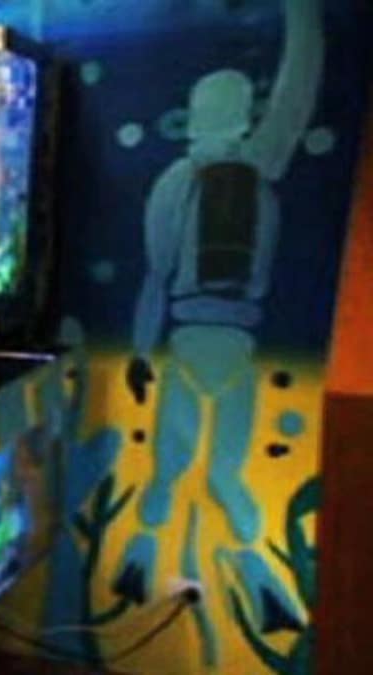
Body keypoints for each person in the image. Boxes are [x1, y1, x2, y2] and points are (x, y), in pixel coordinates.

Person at [115, 0, 323, 666]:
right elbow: (296, 91)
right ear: (242, 115)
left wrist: (140, 351)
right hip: (238, 345)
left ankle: (139, 562)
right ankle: (256, 574)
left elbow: (155, 275)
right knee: (228, 474)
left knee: (168, 470)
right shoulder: (261, 165)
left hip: (186, 339)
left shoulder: (175, 180)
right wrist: (305, 19)